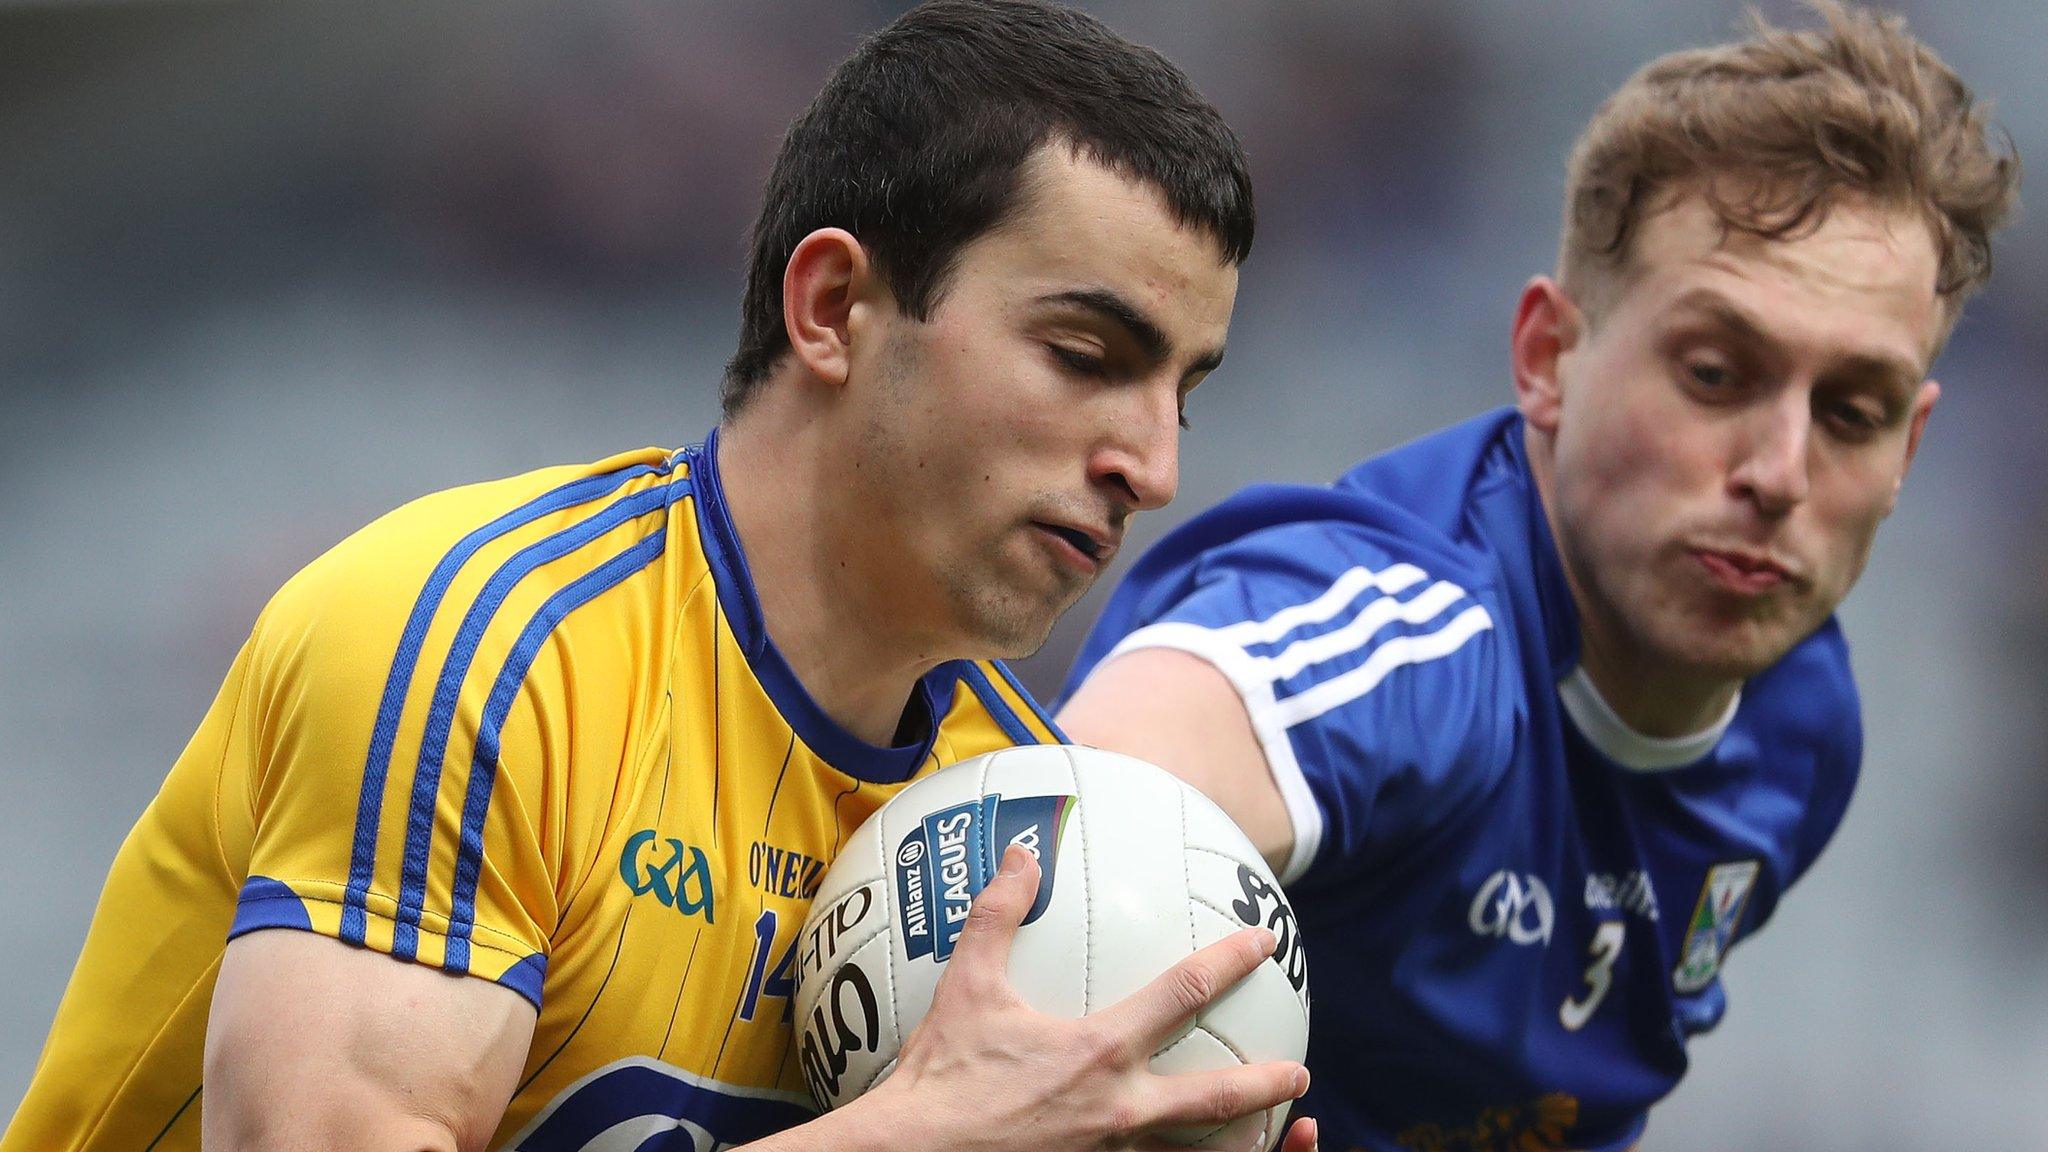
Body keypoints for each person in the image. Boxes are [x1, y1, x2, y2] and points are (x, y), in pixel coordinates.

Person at [4, 3, 1320, 1150]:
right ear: (831, 309)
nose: (1152, 466)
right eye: (1086, 354)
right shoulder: (481, 646)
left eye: (1184, 396)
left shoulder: (1034, 828)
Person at [1057, 4, 2020, 1150]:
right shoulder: (1405, 652)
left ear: (1906, 451)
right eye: (1714, 373)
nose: (1777, 471)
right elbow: (1048, 853)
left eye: (1850, 414)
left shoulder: (1802, 729)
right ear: (1546, 359)